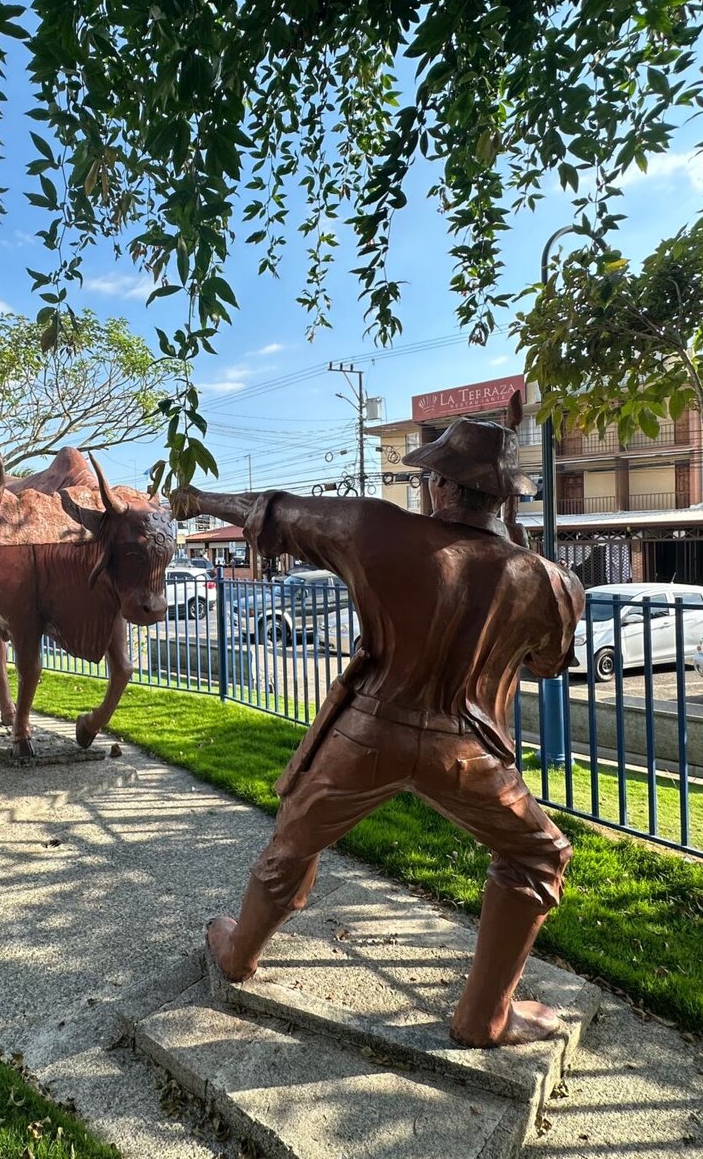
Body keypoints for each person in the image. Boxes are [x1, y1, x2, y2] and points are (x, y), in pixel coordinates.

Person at [171, 416, 584, 1048]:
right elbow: (547, 664)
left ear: (438, 485)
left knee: (295, 838)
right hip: (469, 751)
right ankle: (485, 1017)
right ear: (502, 496)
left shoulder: (374, 528)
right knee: (538, 854)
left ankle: (238, 953)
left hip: (368, 732)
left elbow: (271, 512)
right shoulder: (552, 582)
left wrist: (199, 501)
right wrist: (523, 555)